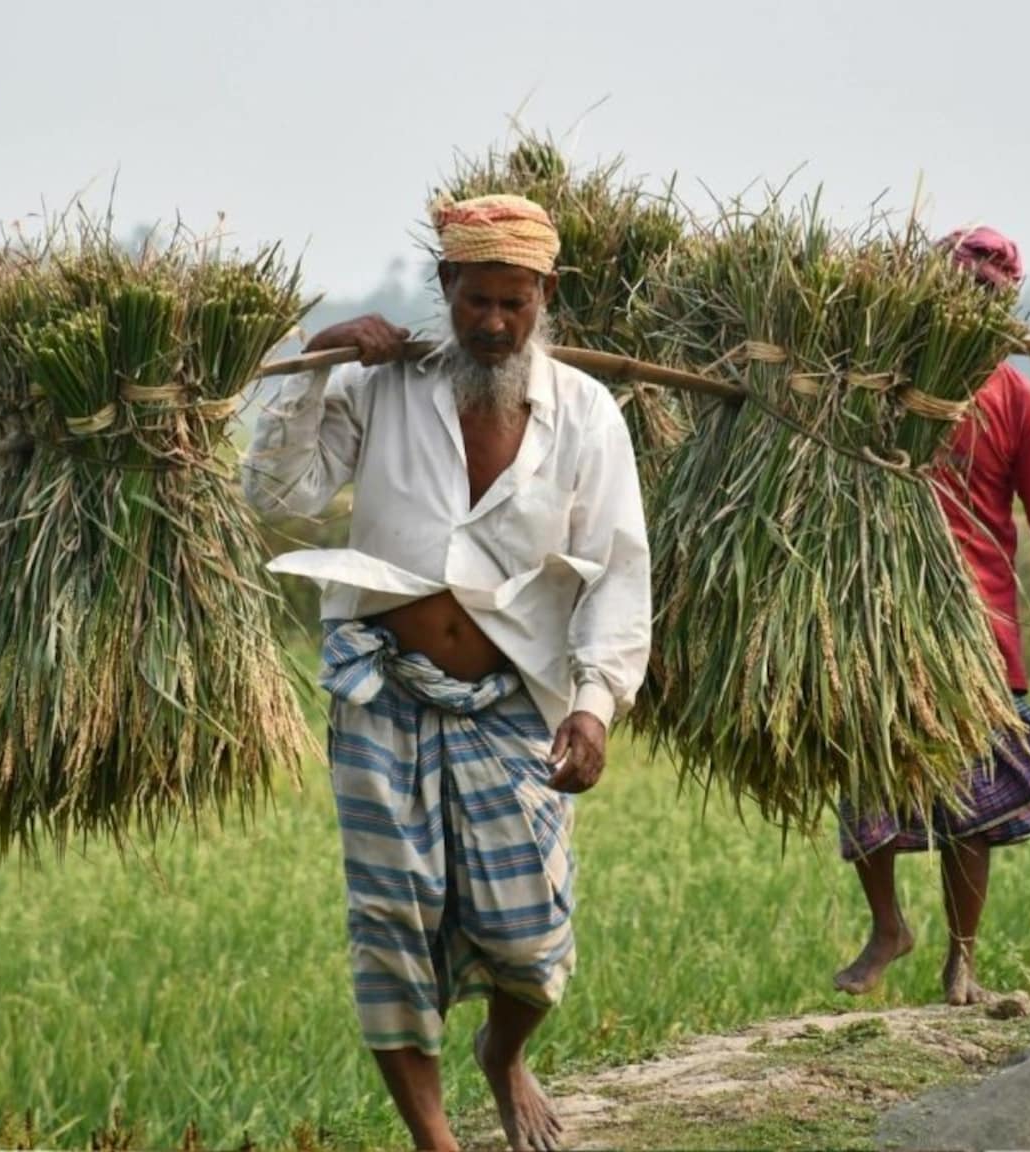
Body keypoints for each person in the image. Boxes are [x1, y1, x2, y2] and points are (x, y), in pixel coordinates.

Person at [242, 193, 651, 1152]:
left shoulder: (585, 415)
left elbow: (619, 570)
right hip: (380, 689)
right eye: (477, 302)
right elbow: (276, 489)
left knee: (529, 933)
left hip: (514, 699)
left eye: (516, 304)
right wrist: (316, 364)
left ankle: (504, 1057)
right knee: (393, 919)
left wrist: (594, 708)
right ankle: (437, 1142)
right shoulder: (382, 389)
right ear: (445, 288)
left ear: (546, 295)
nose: (496, 325)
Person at [832, 225, 1030, 1006]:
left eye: (989, 293)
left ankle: (963, 961)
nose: (971, 300)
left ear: (1004, 307)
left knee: (971, 801)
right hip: (878, 611)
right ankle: (888, 924)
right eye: (959, 285)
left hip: (976, 625)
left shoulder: (1015, 398)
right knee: (864, 767)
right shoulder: (883, 371)